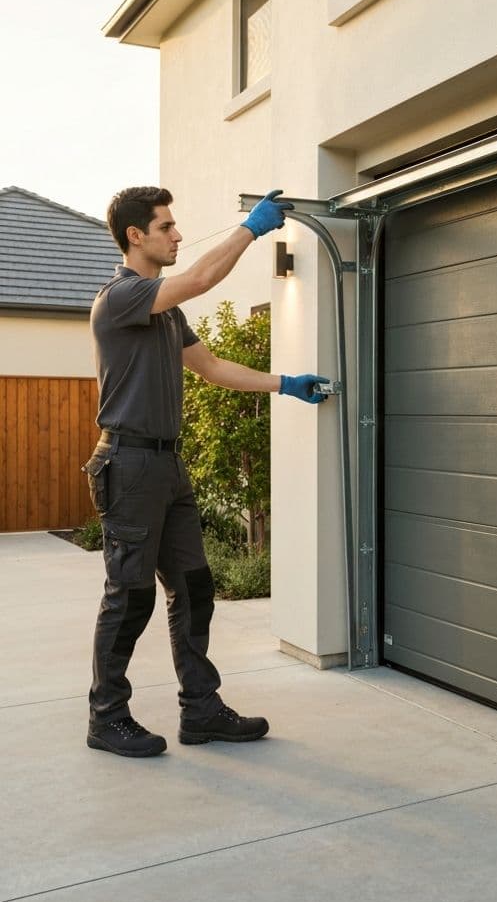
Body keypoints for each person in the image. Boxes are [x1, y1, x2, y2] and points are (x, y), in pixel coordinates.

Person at [83, 187, 324, 758]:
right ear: (135, 236)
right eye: (165, 227)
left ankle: (201, 708)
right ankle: (106, 716)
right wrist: (253, 229)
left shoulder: (165, 313)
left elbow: (210, 366)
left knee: (194, 588)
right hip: (130, 462)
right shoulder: (121, 297)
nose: (177, 235)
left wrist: (284, 384)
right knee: (130, 597)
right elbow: (195, 280)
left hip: (167, 463)